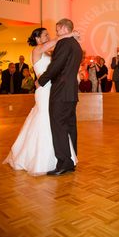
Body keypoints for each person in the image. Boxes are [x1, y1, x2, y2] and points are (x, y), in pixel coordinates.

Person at [3, 25, 79, 176]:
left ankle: (61, 159)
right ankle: (46, 159)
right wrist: (70, 34)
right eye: (45, 35)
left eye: (48, 35)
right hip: (44, 91)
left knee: (55, 123)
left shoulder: (49, 53)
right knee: (47, 121)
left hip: (54, 90)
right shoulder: (36, 50)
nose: (48, 37)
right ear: (37, 38)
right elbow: (57, 40)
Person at [37, 18, 83, 176]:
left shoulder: (64, 44)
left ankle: (64, 163)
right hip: (71, 92)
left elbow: (55, 66)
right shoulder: (76, 45)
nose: (56, 33)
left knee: (58, 127)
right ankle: (72, 160)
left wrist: (40, 81)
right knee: (70, 127)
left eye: (57, 30)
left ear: (64, 28)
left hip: (61, 92)